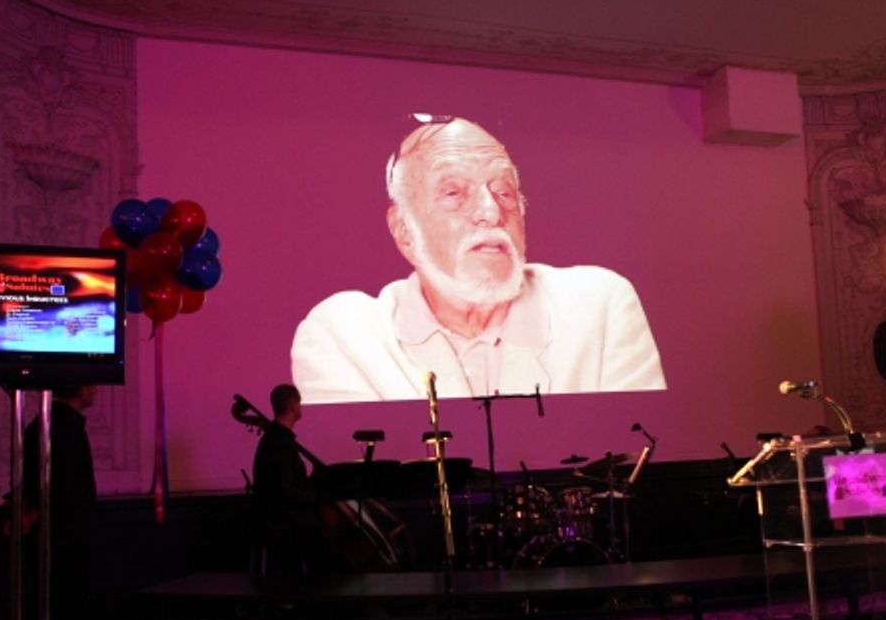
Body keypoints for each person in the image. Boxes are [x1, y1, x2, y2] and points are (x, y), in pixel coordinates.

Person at [291, 116, 666, 402]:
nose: (491, 211)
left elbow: (635, 458)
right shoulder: (345, 335)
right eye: (455, 192)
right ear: (404, 228)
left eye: (504, 191)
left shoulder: (598, 305)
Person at [20, 384, 98, 620]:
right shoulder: (67, 430)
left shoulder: (39, 425)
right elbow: (58, 487)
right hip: (66, 543)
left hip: (48, 542)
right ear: (83, 389)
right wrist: (37, 512)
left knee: (45, 618)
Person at [250, 384, 340, 574]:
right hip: (285, 526)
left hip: (281, 521)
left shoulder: (276, 439)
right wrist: (316, 499)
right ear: (293, 406)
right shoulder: (279, 443)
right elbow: (284, 491)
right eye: (299, 403)